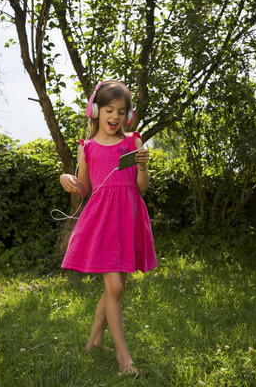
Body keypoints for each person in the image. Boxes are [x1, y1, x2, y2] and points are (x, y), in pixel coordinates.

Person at [60, 79, 157, 376]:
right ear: (96, 110)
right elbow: (84, 189)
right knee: (114, 286)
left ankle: (94, 342)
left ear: (128, 115)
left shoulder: (132, 143)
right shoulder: (86, 148)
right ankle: (123, 359)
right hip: (101, 222)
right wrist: (67, 180)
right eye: (109, 110)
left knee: (116, 287)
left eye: (121, 111)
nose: (115, 117)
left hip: (127, 219)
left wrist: (142, 166)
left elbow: (141, 188)